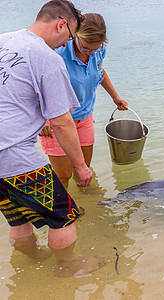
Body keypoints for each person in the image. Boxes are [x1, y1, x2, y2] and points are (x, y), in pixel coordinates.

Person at [0, 0, 103, 277]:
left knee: (17, 216)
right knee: (65, 215)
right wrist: (81, 167)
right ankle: (66, 267)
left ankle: (32, 262)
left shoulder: (4, 40)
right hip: (13, 155)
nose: (64, 44)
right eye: (68, 37)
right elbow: (61, 121)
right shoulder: (46, 57)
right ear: (61, 24)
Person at [39, 13, 128, 189]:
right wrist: (44, 118)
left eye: (95, 49)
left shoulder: (98, 50)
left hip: (85, 117)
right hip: (58, 121)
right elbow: (37, 84)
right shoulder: (57, 52)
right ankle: (61, 212)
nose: (90, 53)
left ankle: (85, 207)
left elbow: (99, 71)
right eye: (86, 48)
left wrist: (115, 96)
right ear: (75, 35)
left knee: (83, 170)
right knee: (63, 175)